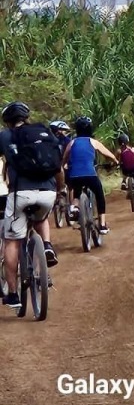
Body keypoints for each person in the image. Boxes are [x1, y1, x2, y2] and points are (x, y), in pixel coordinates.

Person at [2, 102, 63, 306]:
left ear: (8, 121)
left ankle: (12, 294)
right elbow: (58, 167)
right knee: (41, 218)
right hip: (48, 193)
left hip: (21, 193)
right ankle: (46, 245)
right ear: (26, 117)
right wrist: (60, 189)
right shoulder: (43, 133)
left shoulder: (5, 135)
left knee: (12, 241)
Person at [63, 116, 119, 234]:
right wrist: (115, 161)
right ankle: (102, 225)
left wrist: (64, 165)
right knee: (99, 195)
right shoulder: (92, 141)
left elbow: (64, 159)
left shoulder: (72, 142)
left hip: (75, 176)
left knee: (76, 193)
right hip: (90, 174)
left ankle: (74, 208)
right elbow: (108, 154)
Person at [116, 133, 134, 206]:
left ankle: (124, 181)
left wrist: (116, 163)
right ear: (127, 141)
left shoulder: (119, 151)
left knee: (123, 168)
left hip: (125, 170)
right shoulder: (133, 149)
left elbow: (117, 160)